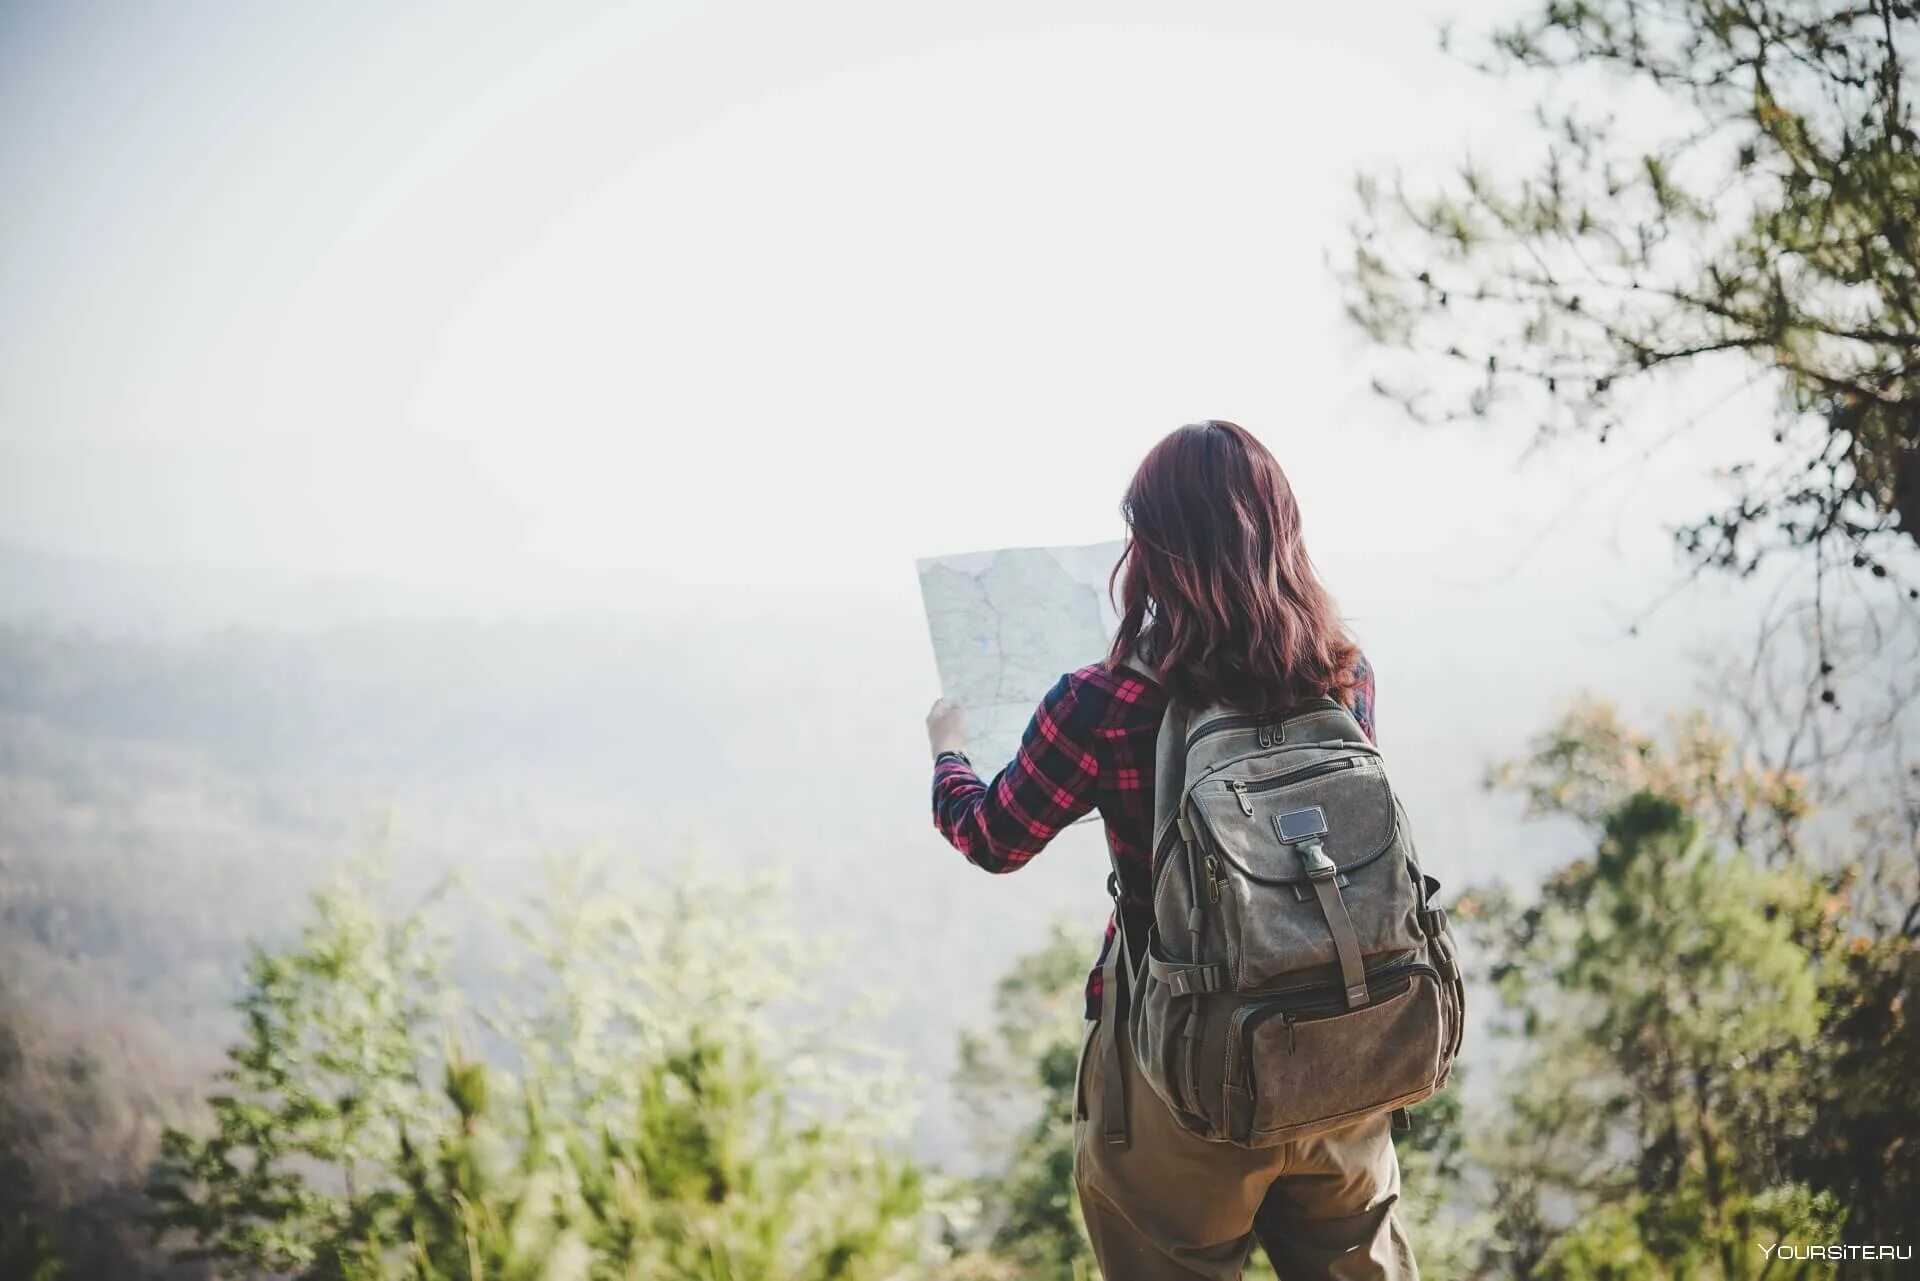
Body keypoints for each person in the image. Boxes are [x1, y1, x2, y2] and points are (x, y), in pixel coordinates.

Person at [926, 421, 1416, 1280]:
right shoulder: (1344, 673)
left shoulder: (1102, 699)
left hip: (1181, 1070)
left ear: (1150, 552)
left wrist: (948, 754)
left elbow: (993, 837)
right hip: (1344, 1052)